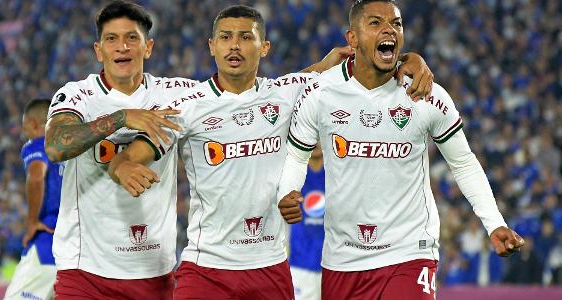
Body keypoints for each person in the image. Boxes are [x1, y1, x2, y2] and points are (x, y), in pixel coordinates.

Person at [108, 5, 432, 299]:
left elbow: (370, 58)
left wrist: (410, 60)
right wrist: (122, 167)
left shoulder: (286, 93)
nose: (234, 45)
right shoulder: (189, 106)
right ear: (212, 47)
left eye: (245, 37)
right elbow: (131, 154)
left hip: (271, 269)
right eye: (225, 37)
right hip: (206, 269)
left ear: (264, 47)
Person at [276, 1, 525, 299]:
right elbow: (296, 154)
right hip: (342, 259)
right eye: (375, 22)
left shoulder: (425, 93)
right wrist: (288, 191)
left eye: (396, 24)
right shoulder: (320, 92)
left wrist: (494, 222)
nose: (388, 29)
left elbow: (463, 162)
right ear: (352, 39)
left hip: (409, 250)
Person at [44, 1, 196, 299]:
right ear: (99, 51)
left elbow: (242, 96)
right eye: (111, 39)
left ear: (148, 47)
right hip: (84, 270)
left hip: (153, 269)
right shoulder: (77, 95)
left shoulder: (175, 94)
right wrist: (121, 118)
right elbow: (55, 146)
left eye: (131, 38)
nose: (121, 47)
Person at [4, 99, 63, 300]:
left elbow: (36, 174)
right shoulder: (74, 151)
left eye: (25, 128)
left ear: (34, 124)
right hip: (78, 251)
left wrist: (31, 222)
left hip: (47, 242)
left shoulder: (38, 144)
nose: (24, 134)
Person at [289, 143, 325, 300]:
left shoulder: (339, 174)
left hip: (335, 264)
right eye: (313, 135)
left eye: (320, 135)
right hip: (300, 264)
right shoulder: (291, 175)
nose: (317, 141)